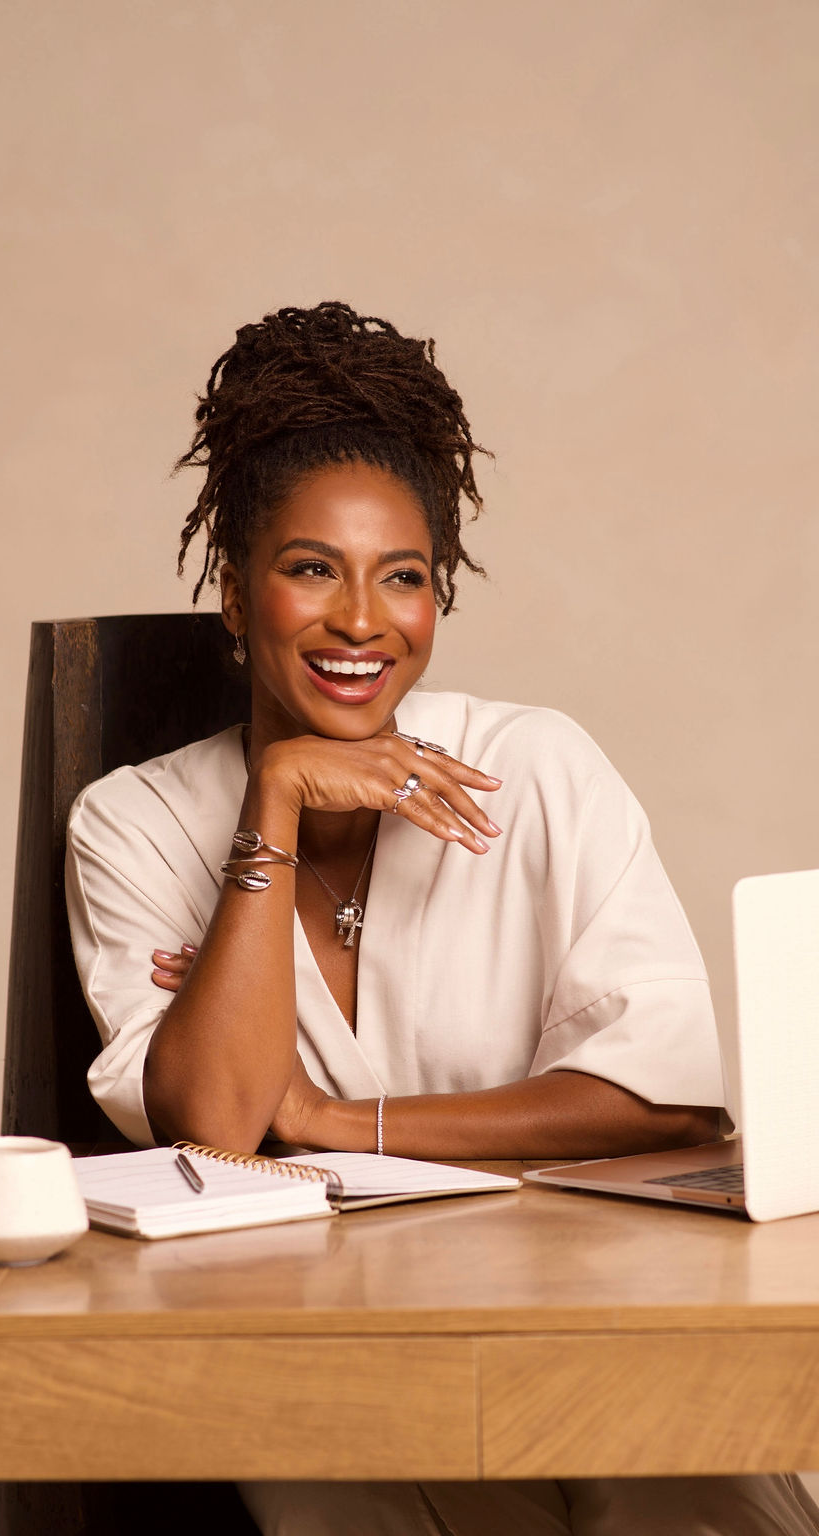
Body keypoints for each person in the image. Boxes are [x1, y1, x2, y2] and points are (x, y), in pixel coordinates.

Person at [66, 301, 819, 1535]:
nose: (361, 619)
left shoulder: (537, 765)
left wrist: (321, 1120)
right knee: (353, 1485)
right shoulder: (135, 823)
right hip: (307, 1341)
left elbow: (667, 1100)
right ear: (235, 598)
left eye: (402, 577)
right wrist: (279, 798)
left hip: (586, 1310)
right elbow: (210, 1122)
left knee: (688, 1488)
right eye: (311, 569)